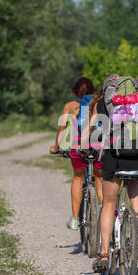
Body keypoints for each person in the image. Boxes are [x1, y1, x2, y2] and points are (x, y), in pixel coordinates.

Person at [87, 75, 138, 272]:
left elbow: (94, 131)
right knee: (134, 178)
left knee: (108, 204)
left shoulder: (103, 106)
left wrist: (86, 146)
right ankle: (136, 213)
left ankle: (104, 254)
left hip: (113, 157)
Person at [49, 77, 103, 230]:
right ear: (92, 90)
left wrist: (57, 146)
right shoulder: (98, 103)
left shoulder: (70, 106)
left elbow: (62, 129)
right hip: (97, 145)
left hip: (78, 146)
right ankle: (106, 213)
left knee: (78, 178)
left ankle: (74, 219)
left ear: (75, 90)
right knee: (99, 178)